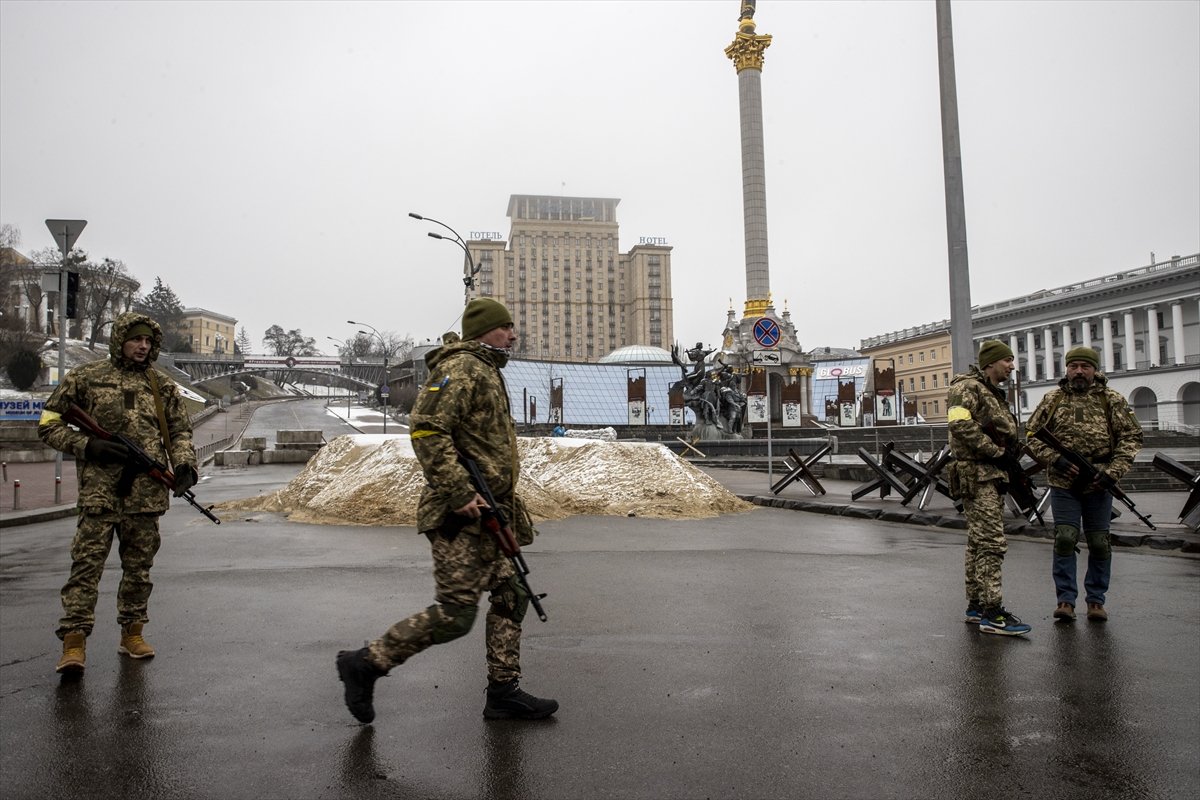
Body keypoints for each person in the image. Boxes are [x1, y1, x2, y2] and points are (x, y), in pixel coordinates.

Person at [336, 298, 557, 723]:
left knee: (512, 595)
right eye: (505, 327)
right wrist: (458, 492)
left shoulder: (487, 370)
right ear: (483, 331)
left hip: (491, 511)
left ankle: (503, 691)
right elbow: (426, 429)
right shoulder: (461, 369)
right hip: (461, 515)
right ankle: (365, 663)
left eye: (512, 328)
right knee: (456, 615)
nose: (513, 335)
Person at [38, 311, 199, 674]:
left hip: (145, 497)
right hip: (99, 495)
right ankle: (74, 642)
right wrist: (87, 445)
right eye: (136, 339)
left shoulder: (161, 386)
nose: (143, 346)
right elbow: (48, 423)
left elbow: (180, 431)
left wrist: (185, 465)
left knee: (139, 570)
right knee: (86, 568)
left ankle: (133, 633)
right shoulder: (85, 378)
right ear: (120, 340)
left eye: (148, 341)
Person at [1027, 346, 1142, 623]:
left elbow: (1132, 437)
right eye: (1073, 366)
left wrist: (1113, 472)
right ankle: (1065, 600)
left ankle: (1096, 601)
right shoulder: (1052, 399)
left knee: (1100, 543)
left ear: (1094, 369)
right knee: (1065, 538)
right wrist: (1056, 460)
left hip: (1098, 482)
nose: (1079, 371)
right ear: (1066, 368)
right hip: (1064, 482)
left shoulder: (1111, 400)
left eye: (1085, 366)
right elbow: (1032, 436)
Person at [946, 340, 1032, 636]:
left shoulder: (993, 393)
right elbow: (959, 424)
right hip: (978, 474)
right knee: (992, 543)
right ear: (990, 363)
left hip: (991, 474)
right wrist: (996, 452)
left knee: (978, 542)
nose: (1011, 366)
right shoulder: (967, 387)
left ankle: (976, 606)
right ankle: (992, 613)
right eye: (1007, 360)